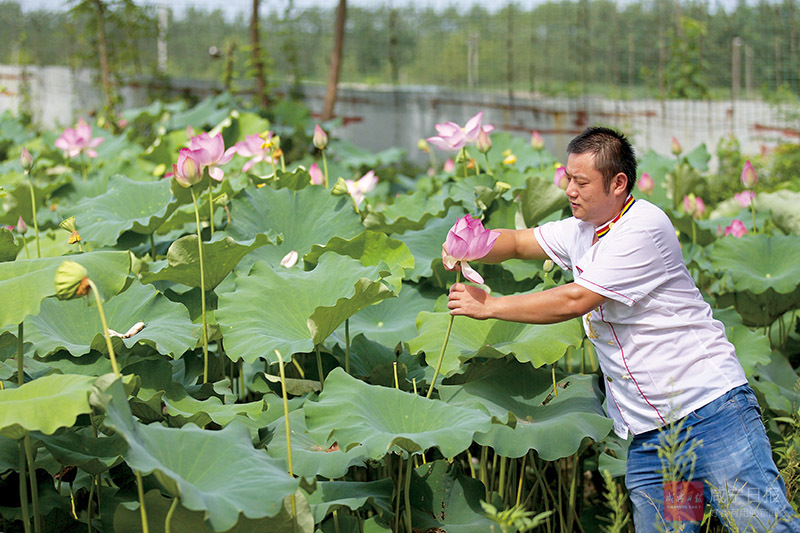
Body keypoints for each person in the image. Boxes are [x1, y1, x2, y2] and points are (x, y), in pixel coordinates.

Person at [443, 126, 800, 532]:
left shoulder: (642, 227)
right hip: (656, 436)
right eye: (567, 179)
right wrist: (466, 246)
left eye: (581, 182)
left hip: (710, 415)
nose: (569, 191)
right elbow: (522, 242)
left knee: (765, 527)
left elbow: (575, 300)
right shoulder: (583, 228)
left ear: (618, 183)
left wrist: (491, 306)